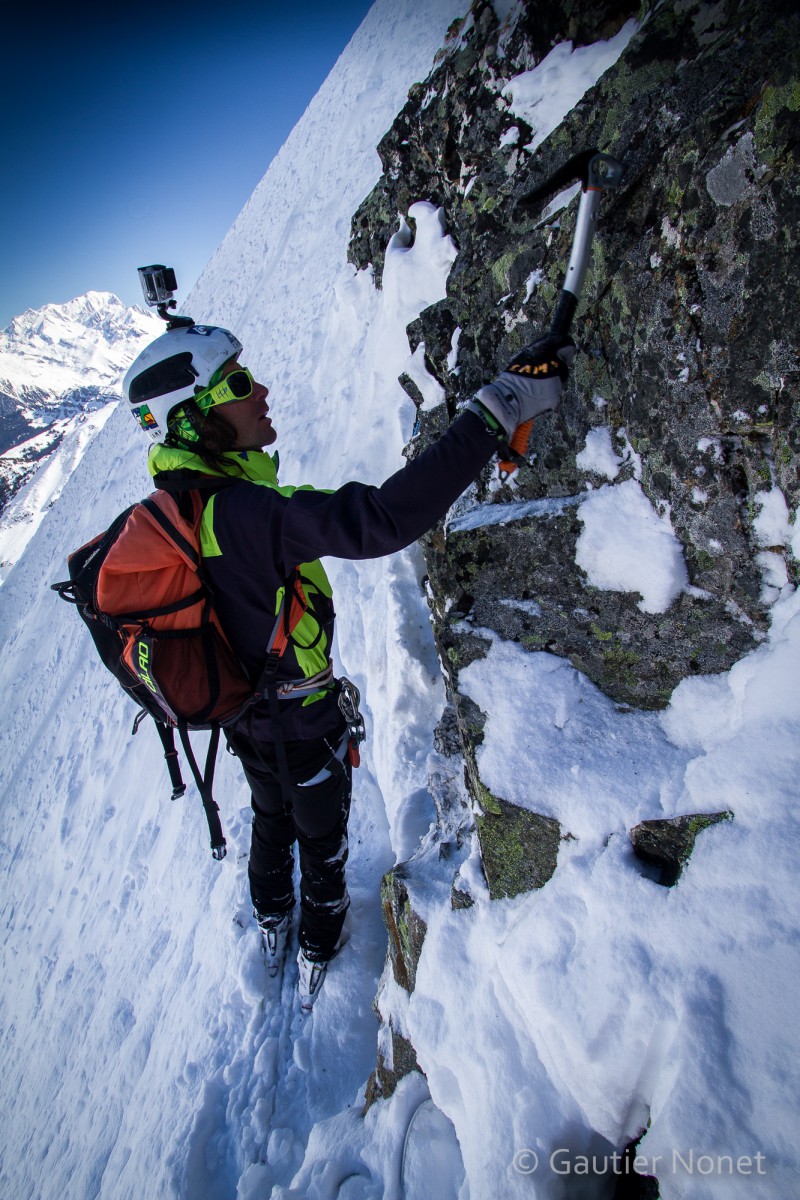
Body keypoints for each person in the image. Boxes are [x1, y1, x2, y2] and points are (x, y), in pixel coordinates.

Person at [123, 320, 573, 1008]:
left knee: (271, 818)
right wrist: (499, 407)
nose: (262, 390)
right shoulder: (241, 512)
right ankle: (318, 943)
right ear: (195, 420)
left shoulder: (177, 507)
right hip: (302, 718)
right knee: (321, 835)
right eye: (239, 384)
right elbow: (383, 519)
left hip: (245, 716)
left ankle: (273, 917)